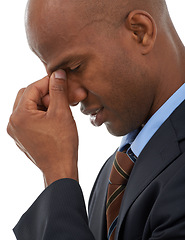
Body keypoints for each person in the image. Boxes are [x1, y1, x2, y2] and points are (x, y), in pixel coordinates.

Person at [7, 0, 185, 239]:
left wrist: (58, 175)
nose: (69, 97)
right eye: (56, 76)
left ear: (140, 32)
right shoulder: (112, 177)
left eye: (75, 67)